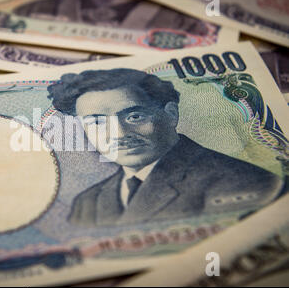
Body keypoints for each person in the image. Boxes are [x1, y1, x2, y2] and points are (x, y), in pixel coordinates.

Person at [47, 69, 284, 227]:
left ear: (171, 114)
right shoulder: (88, 202)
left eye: (135, 116)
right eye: (97, 122)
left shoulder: (240, 182)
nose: (119, 135)